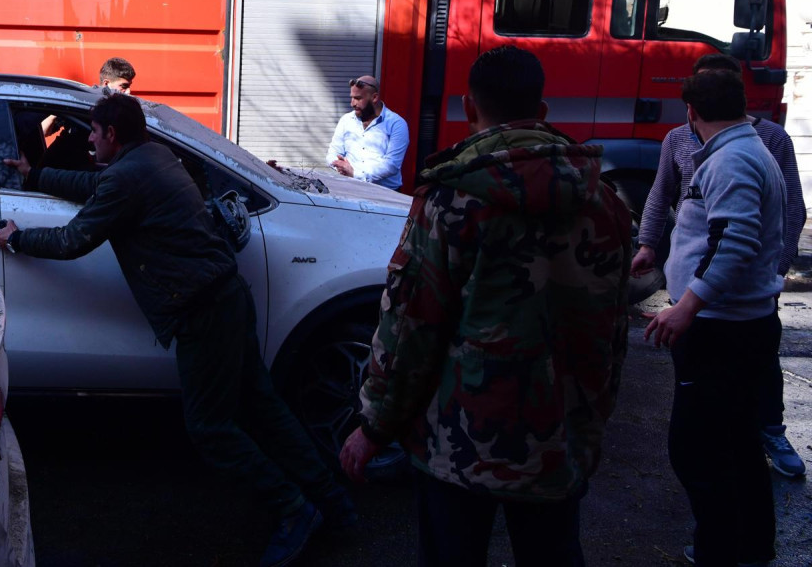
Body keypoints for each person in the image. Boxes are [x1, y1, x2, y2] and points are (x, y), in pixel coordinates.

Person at [0, 93, 353, 566]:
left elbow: (72, 239)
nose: (90, 140)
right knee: (264, 408)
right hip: (226, 296)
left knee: (210, 428)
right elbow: (98, 186)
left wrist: (14, 237)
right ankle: (336, 505)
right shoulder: (153, 156)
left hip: (200, 311)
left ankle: (294, 509)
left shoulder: (126, 176)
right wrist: (34, 175)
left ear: (112, 135)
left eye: (94, 133)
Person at [340, 45, 630, 567]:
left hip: (460, 443)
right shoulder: (604, 202)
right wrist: (593, 418)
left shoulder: (451, 199)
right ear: (541, 112)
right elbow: (613, 327)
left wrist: (374, 426)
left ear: (470, 108)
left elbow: (411, 325)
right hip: (559, 438)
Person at [632, 53, 806, 479]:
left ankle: (773, 431)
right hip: (704, 298)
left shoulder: (758, 146)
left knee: (726, 417)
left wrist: (775, 272)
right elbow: (660, 196)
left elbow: (777, 216)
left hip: (728, 303)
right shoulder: (679, 140)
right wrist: (647, 244)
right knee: (717, 415)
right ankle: (741, 536)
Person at [644, 68, 786, 567]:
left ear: (692, 112)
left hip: (723, 330)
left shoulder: (732, 160)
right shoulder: (745, 151)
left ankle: (721, 551)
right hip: (737, 325)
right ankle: (749, 548)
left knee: (699, 449)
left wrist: (687, 306)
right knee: (738, 440)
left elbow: (734, 242)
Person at [325, 76, 409, 190]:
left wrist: (355, 174)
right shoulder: (346, 120)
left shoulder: (397, 124)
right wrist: (341, 167)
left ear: (374, 97)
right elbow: (333, 152)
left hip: (384, 193)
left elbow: (391, 165)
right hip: (349, 188)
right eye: (352, 98)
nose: (352, 103)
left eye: (358, 98)